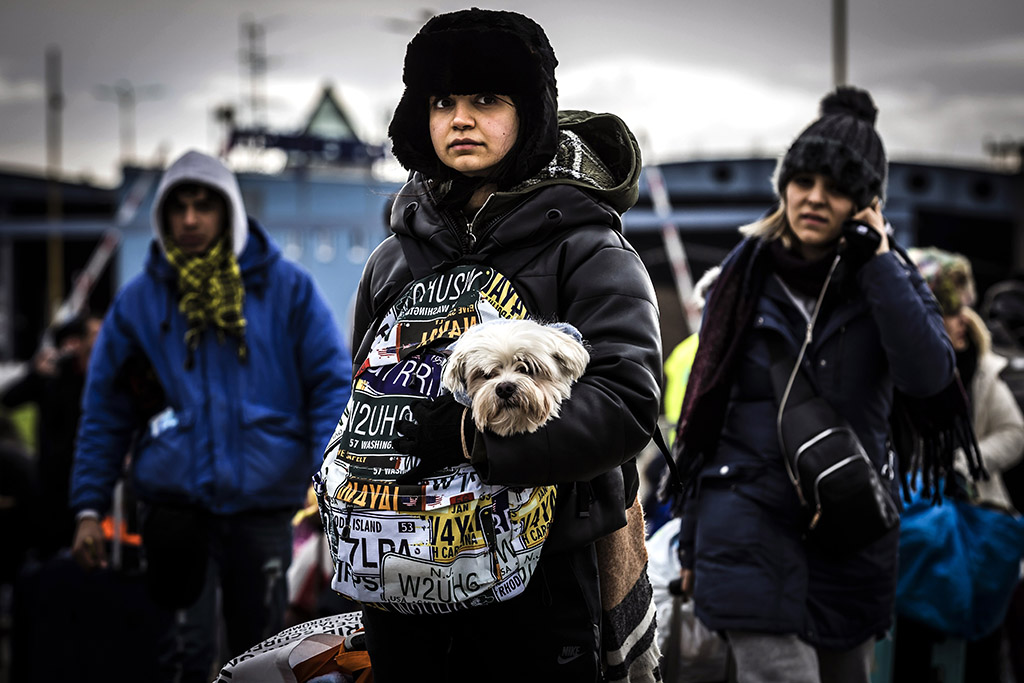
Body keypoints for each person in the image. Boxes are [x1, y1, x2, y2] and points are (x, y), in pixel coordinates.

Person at [316, 9, 661, 682]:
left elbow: (628, 400)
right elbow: (360, 390)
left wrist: (480, 440)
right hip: (401, 574)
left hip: (542, 577)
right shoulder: (391, 259)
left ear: (528, 113)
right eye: (442, 101)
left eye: (486, 99)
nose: (461, 119)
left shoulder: (589, 247)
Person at [664, 87, 962, 683]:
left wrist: (878, 263)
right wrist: (693, 544)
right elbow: (704, 422)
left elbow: (930, 377)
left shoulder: (890, 282)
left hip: (846, 532)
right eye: (803, 182)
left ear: (867, 203)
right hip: (743, 520)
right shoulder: (738, 283)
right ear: (784, 187)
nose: (815, 199)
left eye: (837, 188)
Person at [69, 150, 352, 681]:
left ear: (230, 213)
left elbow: (330, 386)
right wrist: (88, 508)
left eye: (205, 206)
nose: (192, 219)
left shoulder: (288, 289)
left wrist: (329, 482)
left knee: (269, 657)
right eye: (179, 208)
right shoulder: (139, 303)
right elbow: (106, 410)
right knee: (186, 655)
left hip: (267, 510)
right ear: (163, 216)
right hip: (175, 513)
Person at [895, 247, 1024, 682]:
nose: (964, 320)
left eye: (965, 308)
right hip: (908, 526)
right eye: (952, 311)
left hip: (973, 519)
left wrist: (960, 463)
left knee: (981, 640)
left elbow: (1014, 434)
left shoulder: (983, 369)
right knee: (908, 638)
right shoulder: (891, 373)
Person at [1, 313, 102, 557]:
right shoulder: (54, 374)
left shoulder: (100, 377)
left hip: (86, 477)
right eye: (94, 335)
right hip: (51, 483)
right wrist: (35, 372)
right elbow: (10, 399)